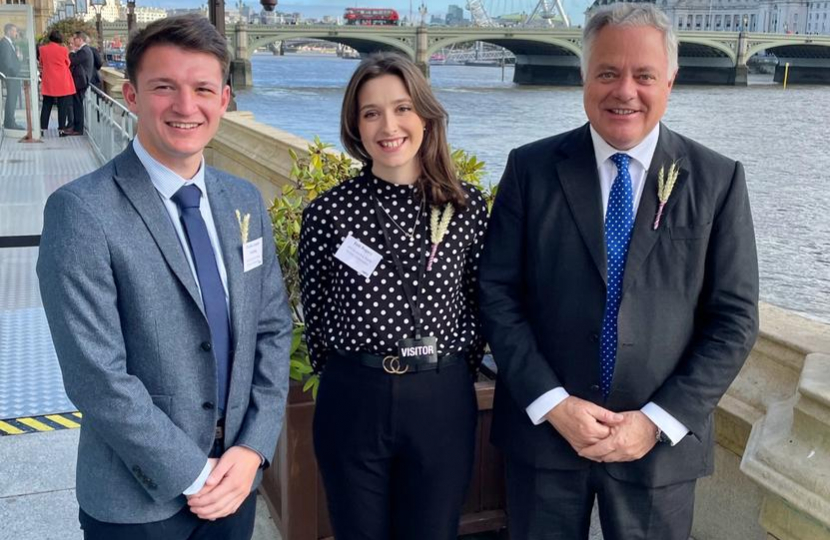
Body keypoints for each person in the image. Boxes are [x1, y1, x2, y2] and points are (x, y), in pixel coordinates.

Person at [478, 4, 759, 540]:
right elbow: (497, 295)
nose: (624, 91)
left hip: (659, 452)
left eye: (643, 75)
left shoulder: (717, 180)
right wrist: (552, 404)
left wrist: (655, 421)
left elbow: (735, 319)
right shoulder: (530, 169)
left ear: (670, 81)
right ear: (584, 76)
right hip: (545, 439)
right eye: (608, 72)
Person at [37, 14, 292, 540]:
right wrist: (194, 475)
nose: (185, 106)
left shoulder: (243, 200)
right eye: (164, 87)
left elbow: (271, 329)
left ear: (224, 100)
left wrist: (251, 450)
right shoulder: (80, 211)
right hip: (137, 501)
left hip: (236, 481)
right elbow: (96, 376)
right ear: (130, 95)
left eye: (202, 89)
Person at [299, 52, 488, 540]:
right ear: (355, 126)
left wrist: (445, 369)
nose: (389, 125)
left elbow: (480, 299)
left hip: (440, 396)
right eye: (371, 112)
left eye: (402, 108)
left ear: (425, 114)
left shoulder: (465, 206)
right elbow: (315, 311)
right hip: (354, 395)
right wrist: (349, 372)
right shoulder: (329, 213)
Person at [38, 30, 75, 134]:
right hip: (62, 81)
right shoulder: (63, 50)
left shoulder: (42, 49)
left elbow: (41, 62)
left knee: (46, 105)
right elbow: (67, 63)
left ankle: (42, 128)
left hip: (49, 80)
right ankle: (61, 129)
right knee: (62, 106)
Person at [67, 31, 94, 135]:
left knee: (78, 105)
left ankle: (78, 129)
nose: (73, 41)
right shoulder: (84, 50)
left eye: (75, 39)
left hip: (81, 81)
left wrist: (72, 51)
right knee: (76, 104)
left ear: (80, 39)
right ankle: (76, 127)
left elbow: (73, 60)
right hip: (80, 80)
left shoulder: (84, 51)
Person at [0, 23, 23, 130]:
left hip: (13, 76)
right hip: (11, 76)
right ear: (8, 31)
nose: (16, 33)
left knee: (12, 99)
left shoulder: (10, 43)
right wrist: (14, 73)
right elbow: (6, 62)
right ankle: (10, 122)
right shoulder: (4, 43)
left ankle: (9, 121)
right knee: (11, 99)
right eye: (14, 31)